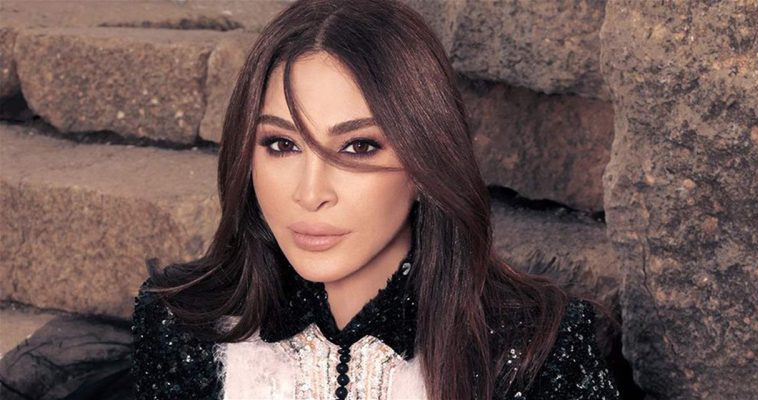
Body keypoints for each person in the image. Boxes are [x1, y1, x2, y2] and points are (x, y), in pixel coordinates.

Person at [131, 0, 622, 399]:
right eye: (281, 144)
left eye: (358, 147)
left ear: (427, 162)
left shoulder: (537, 349)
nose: (310, 194)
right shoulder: (183, 325)